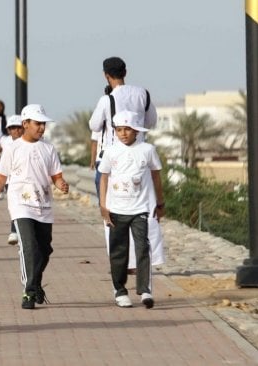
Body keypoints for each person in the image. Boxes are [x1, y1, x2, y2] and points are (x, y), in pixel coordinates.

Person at [0, 104, 69, 310]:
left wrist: (61, 184)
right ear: (25, 124)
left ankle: (36, 282)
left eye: (43, 124)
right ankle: (29, 292)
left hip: (43, 205)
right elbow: (0, 180)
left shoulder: (48, 148)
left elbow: (56, 176)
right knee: (29, 247)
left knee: (45, 249)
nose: (41, 128)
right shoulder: (12, 148)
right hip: (21, 205)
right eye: (37, 123)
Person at [88, 56, 164, 272]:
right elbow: (151, 122)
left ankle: (120, 262)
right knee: (141, 211)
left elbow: (94, 124)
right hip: (140, 159)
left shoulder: (107, 100)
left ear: (106, 75)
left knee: (110, 212)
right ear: (126, 72)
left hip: (112, 160)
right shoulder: (143, 94)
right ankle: (139, 259)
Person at [98, 110, 165, 309]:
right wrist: (103, 206)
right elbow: (103, 178)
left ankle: (145, 290)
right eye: (119, 130)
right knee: (119, 250)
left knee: (143, 247)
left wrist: (160, 203)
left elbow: (156, 176)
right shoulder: (110, 151)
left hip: (141, 208)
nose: (123, 133)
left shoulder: (147, 149)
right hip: (117, 208)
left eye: (127, 129)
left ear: (136, 130)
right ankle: (119, 290)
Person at [0, 115, 24, 245]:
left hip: (24, 180)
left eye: (18, 128)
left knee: (23, 205)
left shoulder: (27, 142)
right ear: (9, 130)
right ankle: (14, 231)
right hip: (9, 180)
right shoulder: (6, 141)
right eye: (12, 128)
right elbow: (0, 146)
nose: (16, 131)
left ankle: (20, 230)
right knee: (15, 205)